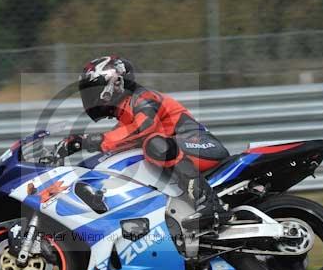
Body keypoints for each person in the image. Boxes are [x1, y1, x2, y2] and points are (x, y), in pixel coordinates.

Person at [62, 55, 232, 232]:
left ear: (115, 83)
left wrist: (90, 141)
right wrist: (81, 168)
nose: (89, 97)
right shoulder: (125, 117)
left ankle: (211, 204)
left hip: (204, 146)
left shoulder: (144, 98)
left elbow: (143, 128)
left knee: (155, 144)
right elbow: (115, 146)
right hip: (187, 152)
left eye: (93, 89)